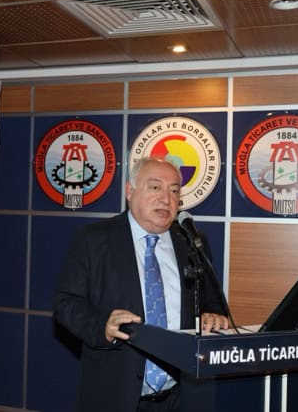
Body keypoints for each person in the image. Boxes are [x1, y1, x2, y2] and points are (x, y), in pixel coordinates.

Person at [53, 156, 230, 412]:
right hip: (116, 396)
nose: (166, 199)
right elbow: (66, 303)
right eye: (155, 187)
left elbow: (214, 303)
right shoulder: (94, 239)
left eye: (174, 191)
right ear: (130, 191)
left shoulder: (191, 241)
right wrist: (101, 326)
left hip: (182, 398)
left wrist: (213, 315)